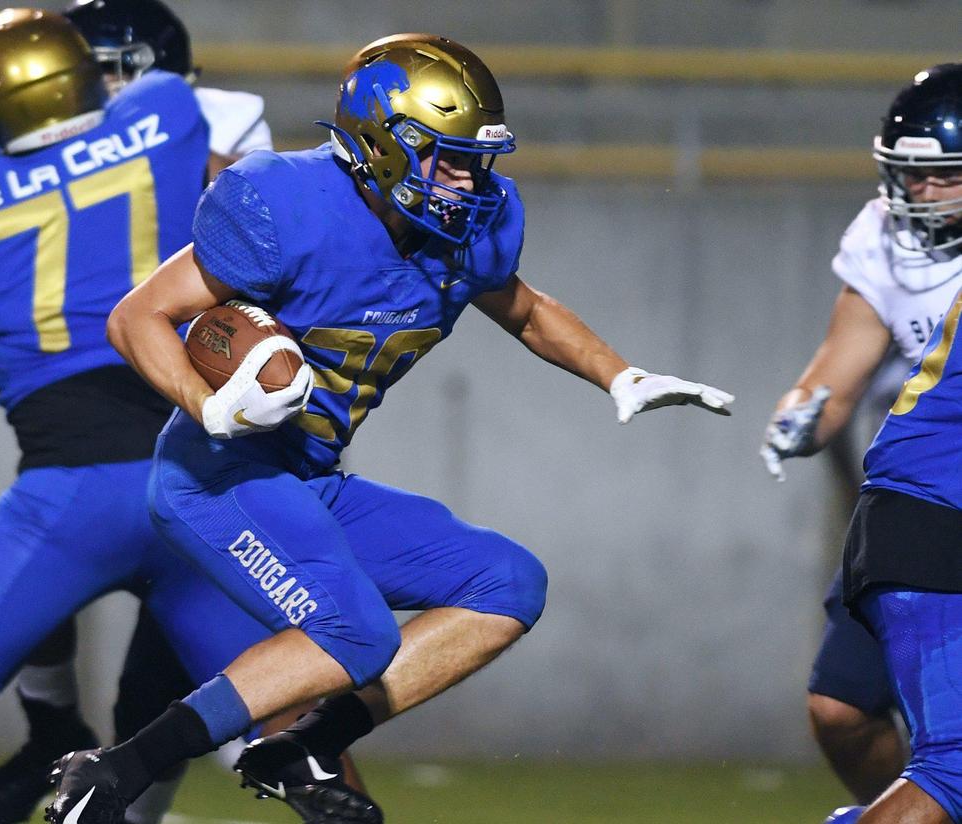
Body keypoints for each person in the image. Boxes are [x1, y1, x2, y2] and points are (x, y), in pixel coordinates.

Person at [48, 32, 734, 824]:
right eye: (449, 159)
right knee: (357, 634)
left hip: (309, 479)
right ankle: (117, 770)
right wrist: (208, 407)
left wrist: (621, 374)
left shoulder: (468, 229)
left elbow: (526, 310)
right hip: (218, 477)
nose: (470, 181)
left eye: (476, 161)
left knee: (507, 582)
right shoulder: (285, 205)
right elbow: (136, 317)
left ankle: (306, 742)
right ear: (381, 145)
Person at [0, 10, 275, 823]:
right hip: (196, 479)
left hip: (70, 487)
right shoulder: (166, 112)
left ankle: (40, 739)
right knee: (290, 704)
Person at [760, 65, 962, 808]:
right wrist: (799, 415)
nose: (923, 193)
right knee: (840, 708)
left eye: (945, 176)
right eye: (912, 175)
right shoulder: (883, 235)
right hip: (925, 491)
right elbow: (834, 375)